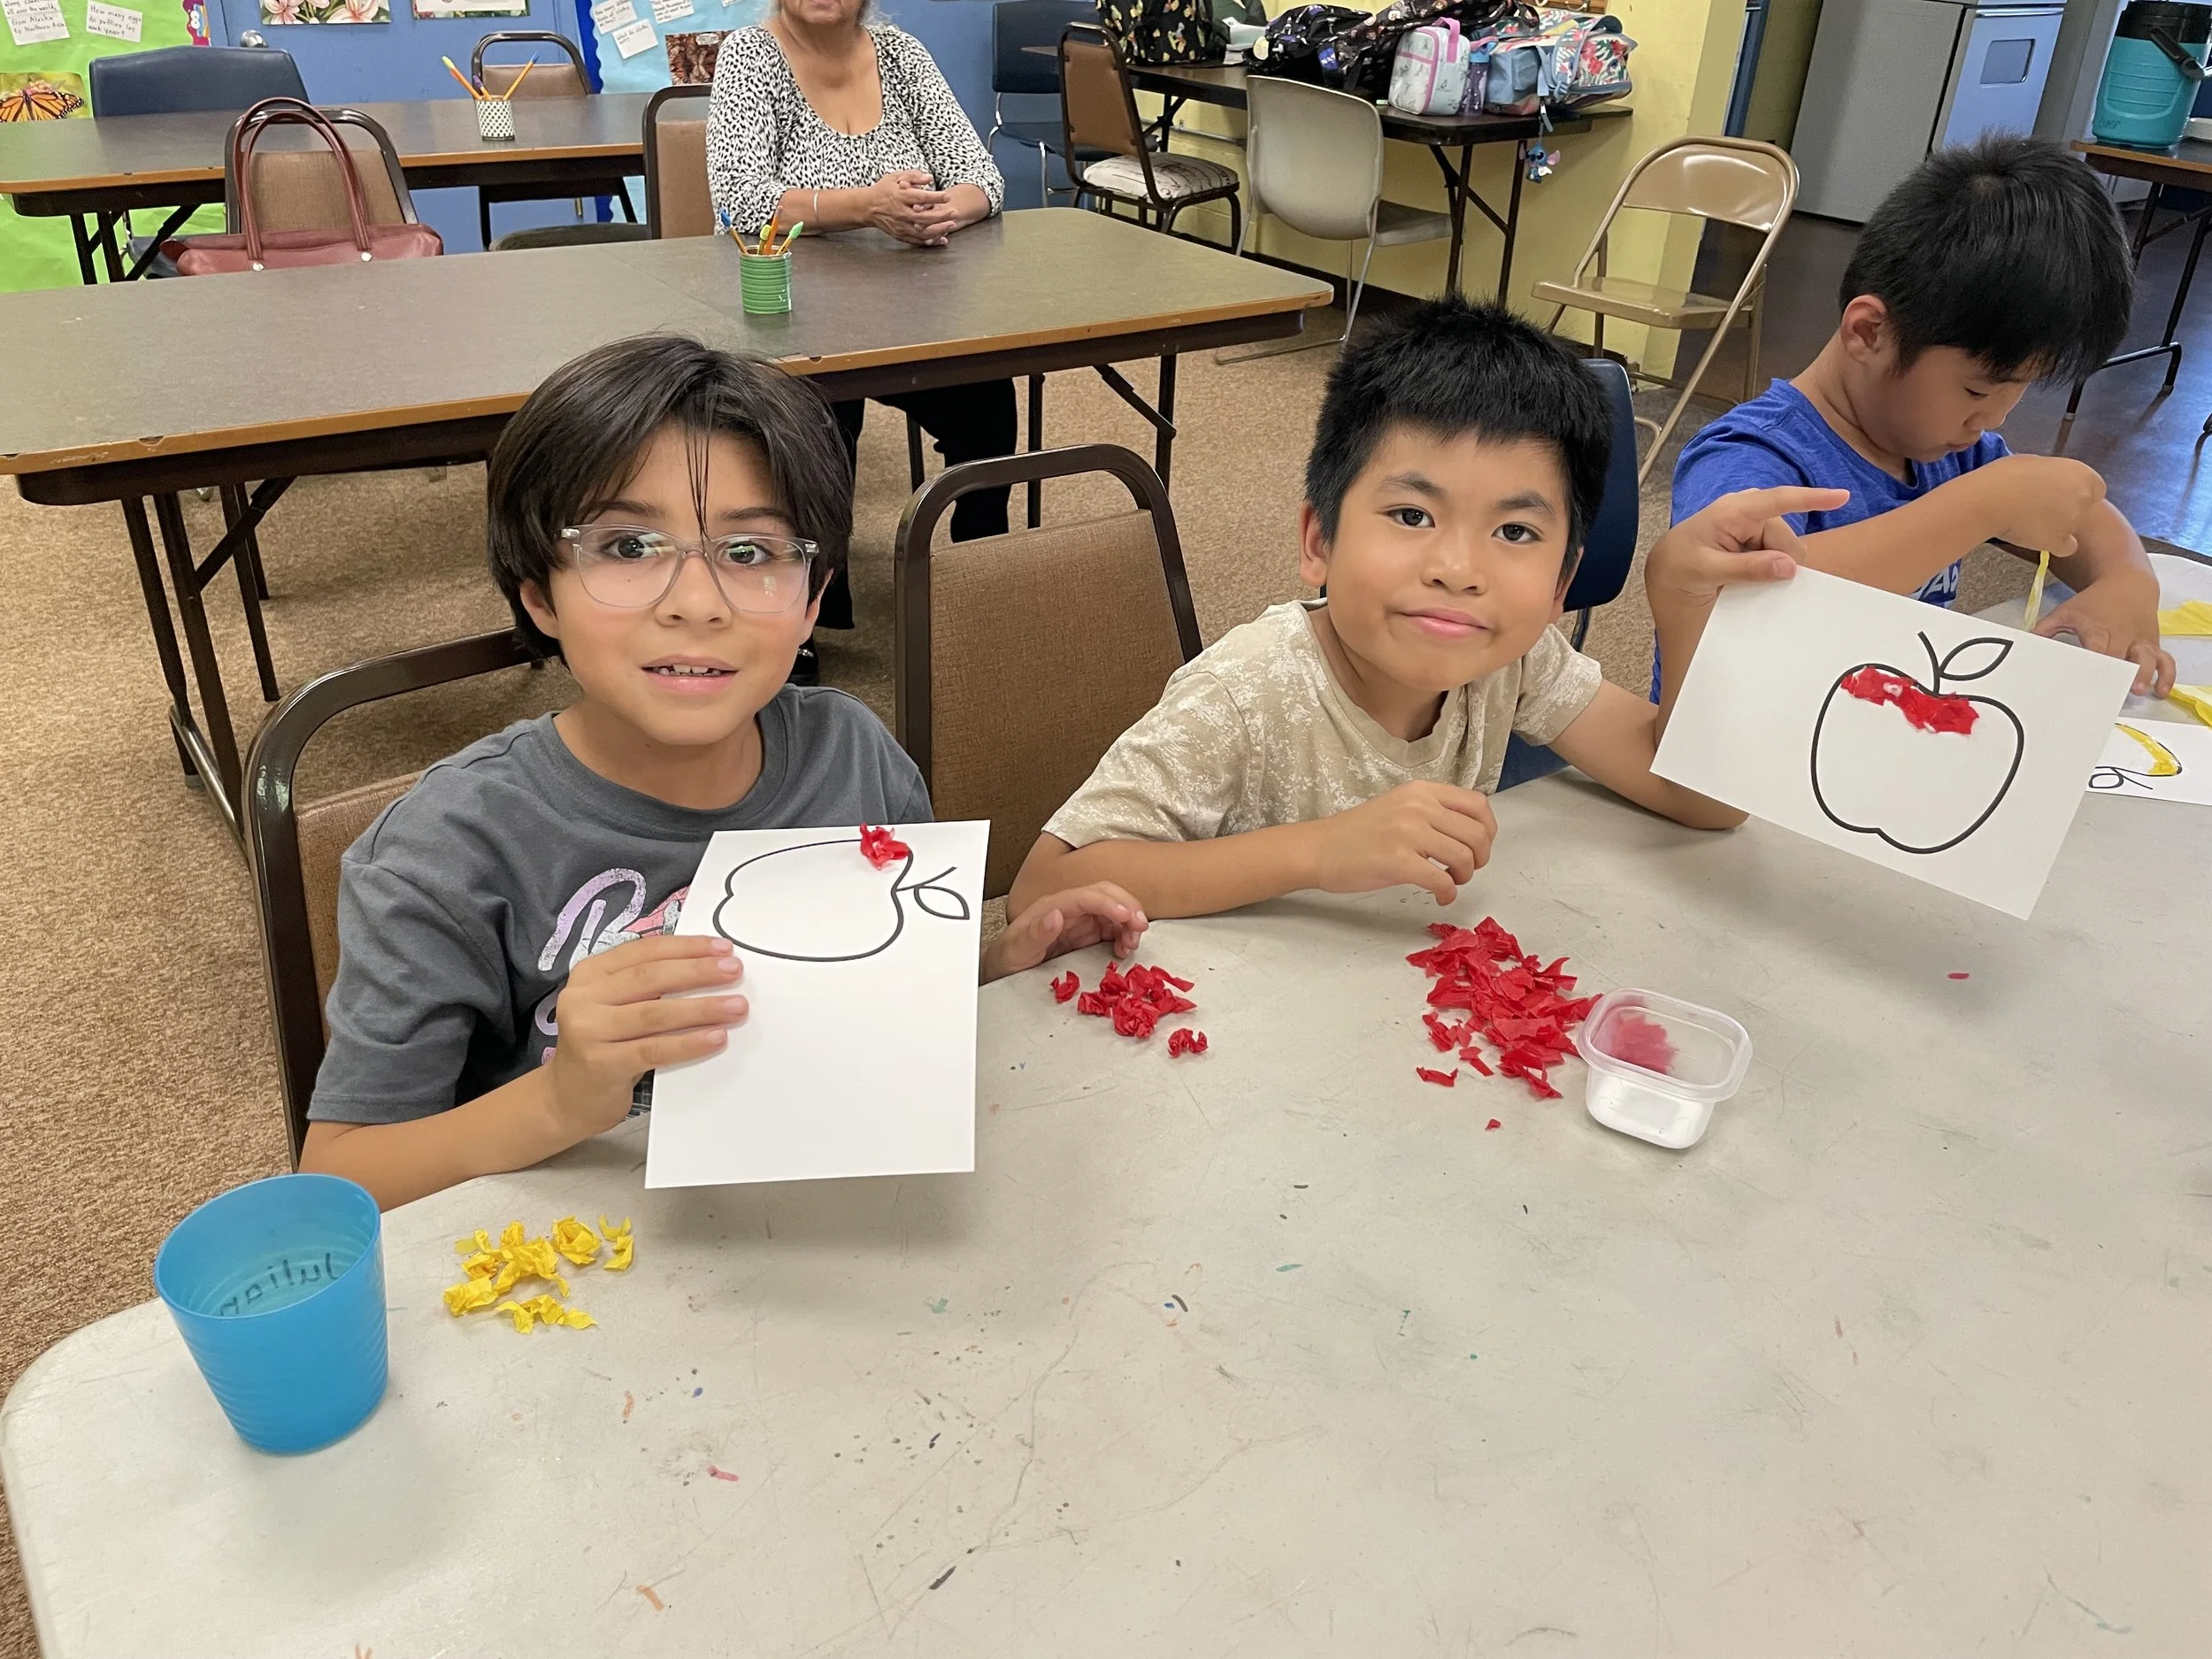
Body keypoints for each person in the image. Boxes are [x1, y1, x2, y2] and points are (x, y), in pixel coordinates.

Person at [299, 337, 1143, 1210]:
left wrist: (998, 965)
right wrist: (557, 1100)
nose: (696, 603)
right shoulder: (443, 853)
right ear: (538, 591)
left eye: (749, 553)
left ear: (814, 598)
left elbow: (883, 1006)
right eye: (628, 546)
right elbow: (340, 1177)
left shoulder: (854, 755)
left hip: (833, 1217)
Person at [1007, 298, 1833, 922]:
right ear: (1319, 539)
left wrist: (1684, 609)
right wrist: (1320, 851)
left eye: (1515, 531)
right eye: (1412, 515)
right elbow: (1044, 886)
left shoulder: (1513, 658)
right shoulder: (1246, 692)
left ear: (1561, 585)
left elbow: (1706, 801)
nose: (1458, 570)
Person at [1671, 133, 2177, 699]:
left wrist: (2128, 579)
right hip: (1741, 739)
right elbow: (1739, 603)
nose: (1992, 421)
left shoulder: (1950, 450)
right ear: (1870, 333)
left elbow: (2082, 515)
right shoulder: (1751, 456)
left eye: (2020, 389)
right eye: (1977, 389)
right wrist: (1982, 505)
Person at [708, 0, 1017, 683]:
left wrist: (937, 211)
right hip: (794, 319)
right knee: (815, 423)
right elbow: (738, 198)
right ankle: (797, 610)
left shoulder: (903, 55)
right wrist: (866, 206)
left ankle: (977, 575)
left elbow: (983, 178)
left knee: (988, 401)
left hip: (913, 316)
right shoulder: (750, 57)